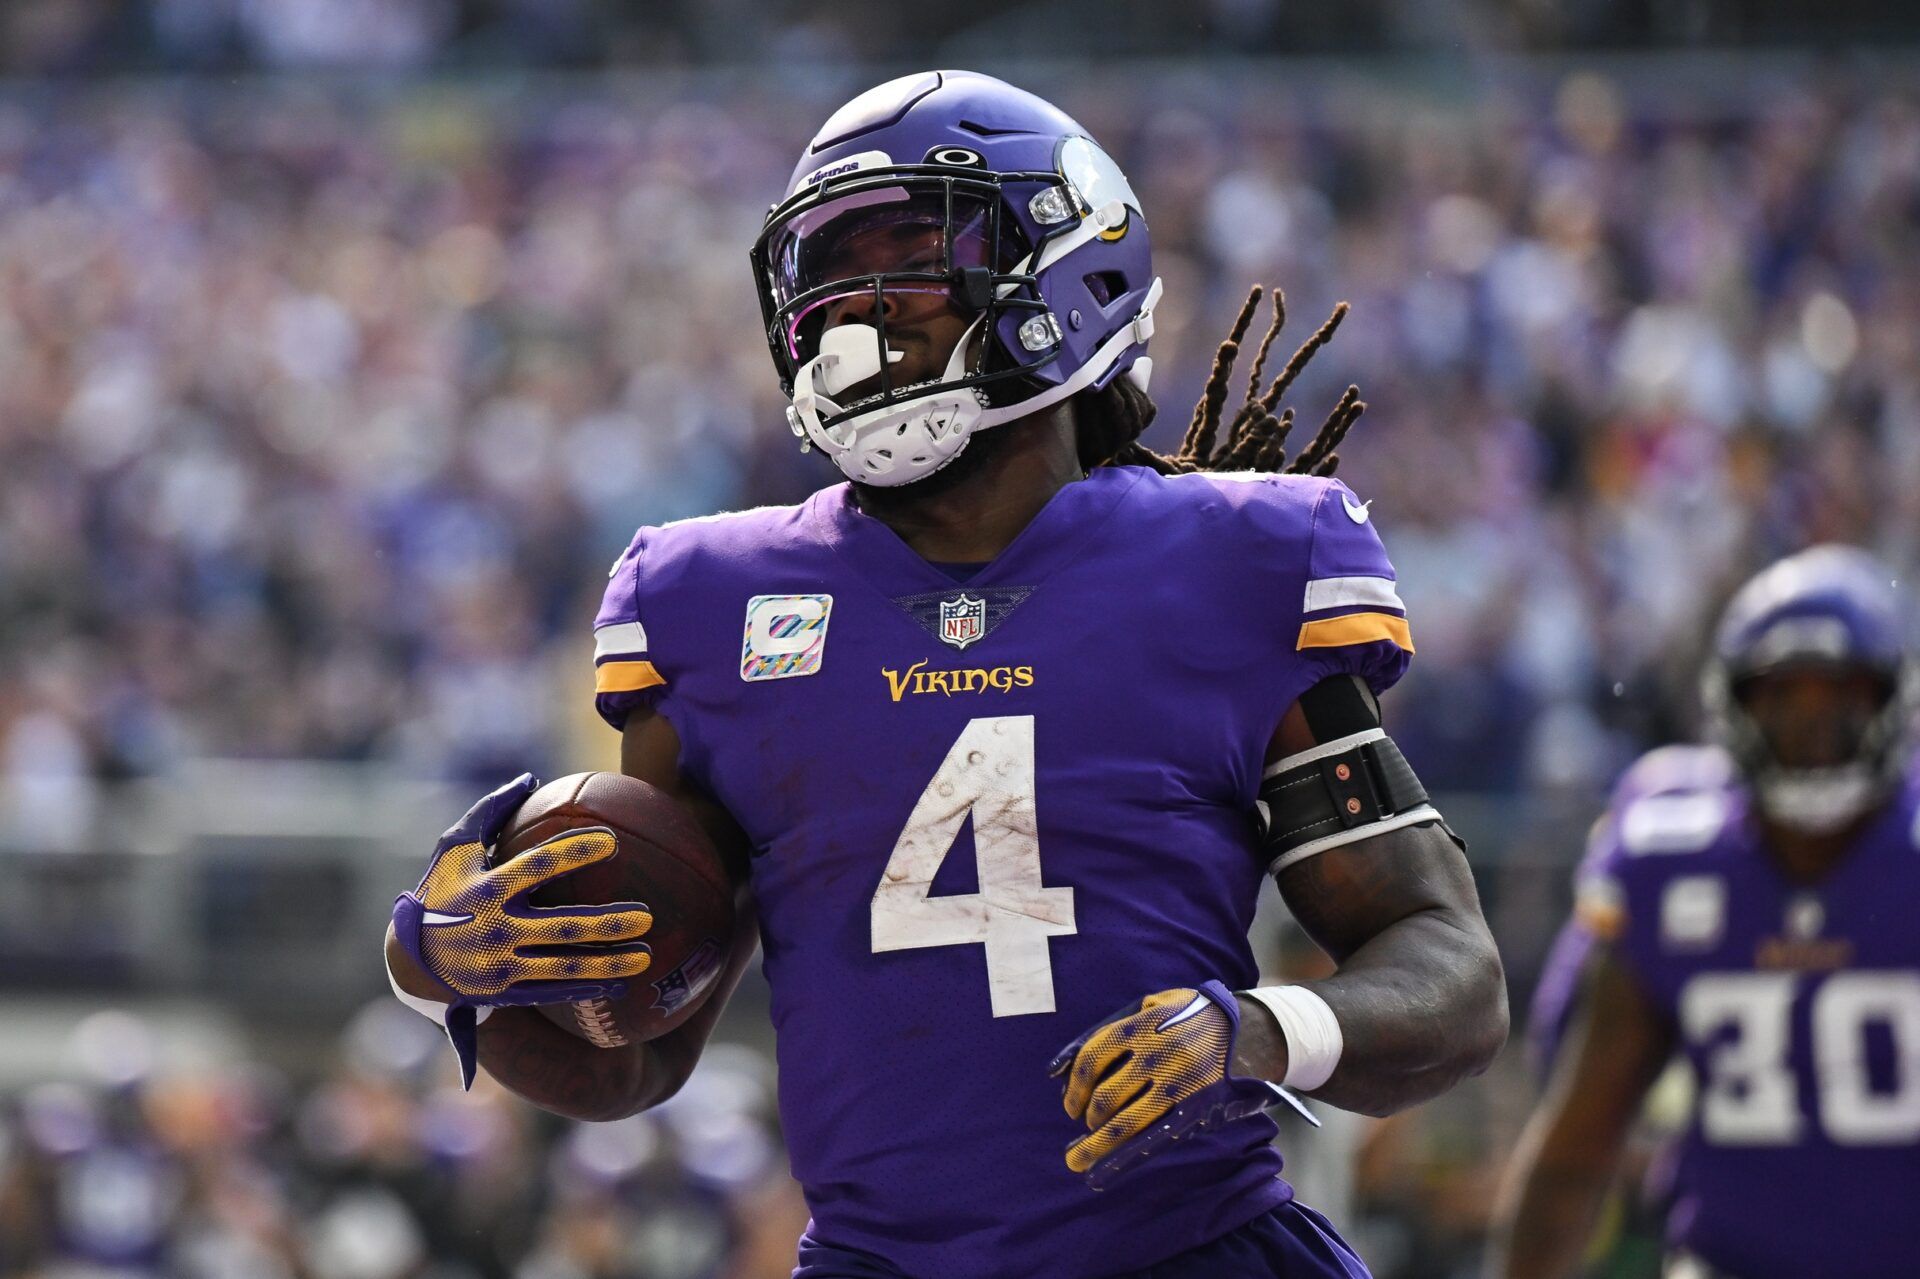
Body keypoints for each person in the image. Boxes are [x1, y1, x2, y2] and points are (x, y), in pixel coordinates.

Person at [386, 70, 1507, 1279]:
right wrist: (449, 970)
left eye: (911, 252)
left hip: (1194, 1248)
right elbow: (635, 1056)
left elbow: (1449, 970)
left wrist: (1256, 1032)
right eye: (825, 269)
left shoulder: (1233, 564)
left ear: (1070, 268)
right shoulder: (711, 603)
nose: (853, 307)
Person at [1490, 545, 1920, 1279]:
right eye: (1783, 695)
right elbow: (1578, 1140)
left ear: (1889, 700)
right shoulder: (1671, 850)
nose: (1812, 724)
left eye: (1840, 693)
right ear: (1732, 704)